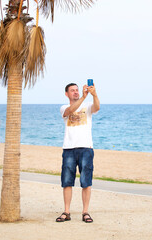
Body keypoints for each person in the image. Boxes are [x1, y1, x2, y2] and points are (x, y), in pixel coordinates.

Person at [56, 82, 100, 223]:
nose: (75, 92)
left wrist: (94, 95)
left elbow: (97, 107)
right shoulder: (63, 107)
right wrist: (83, 97)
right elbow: (69, 111)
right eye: (72, 90)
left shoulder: (87, 106)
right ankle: (66, 212)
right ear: (66, 94)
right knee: (67, 182)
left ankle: (85, 212)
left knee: (86, 181)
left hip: (86, 148)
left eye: (77, 90)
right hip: (69, 148)